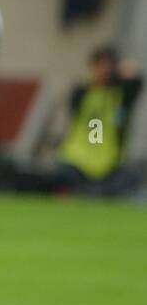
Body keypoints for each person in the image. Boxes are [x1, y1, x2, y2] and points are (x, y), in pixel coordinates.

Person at [54, 46, 143, 195]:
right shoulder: (82, 90)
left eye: (109, 66)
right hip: (77, 161)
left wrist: (126, 71)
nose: (105, 71)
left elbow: (135, 82)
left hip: (110, 164)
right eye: (101, 65)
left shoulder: (122, 94)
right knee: (60, 175)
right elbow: (75, 103)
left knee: (131, 177)